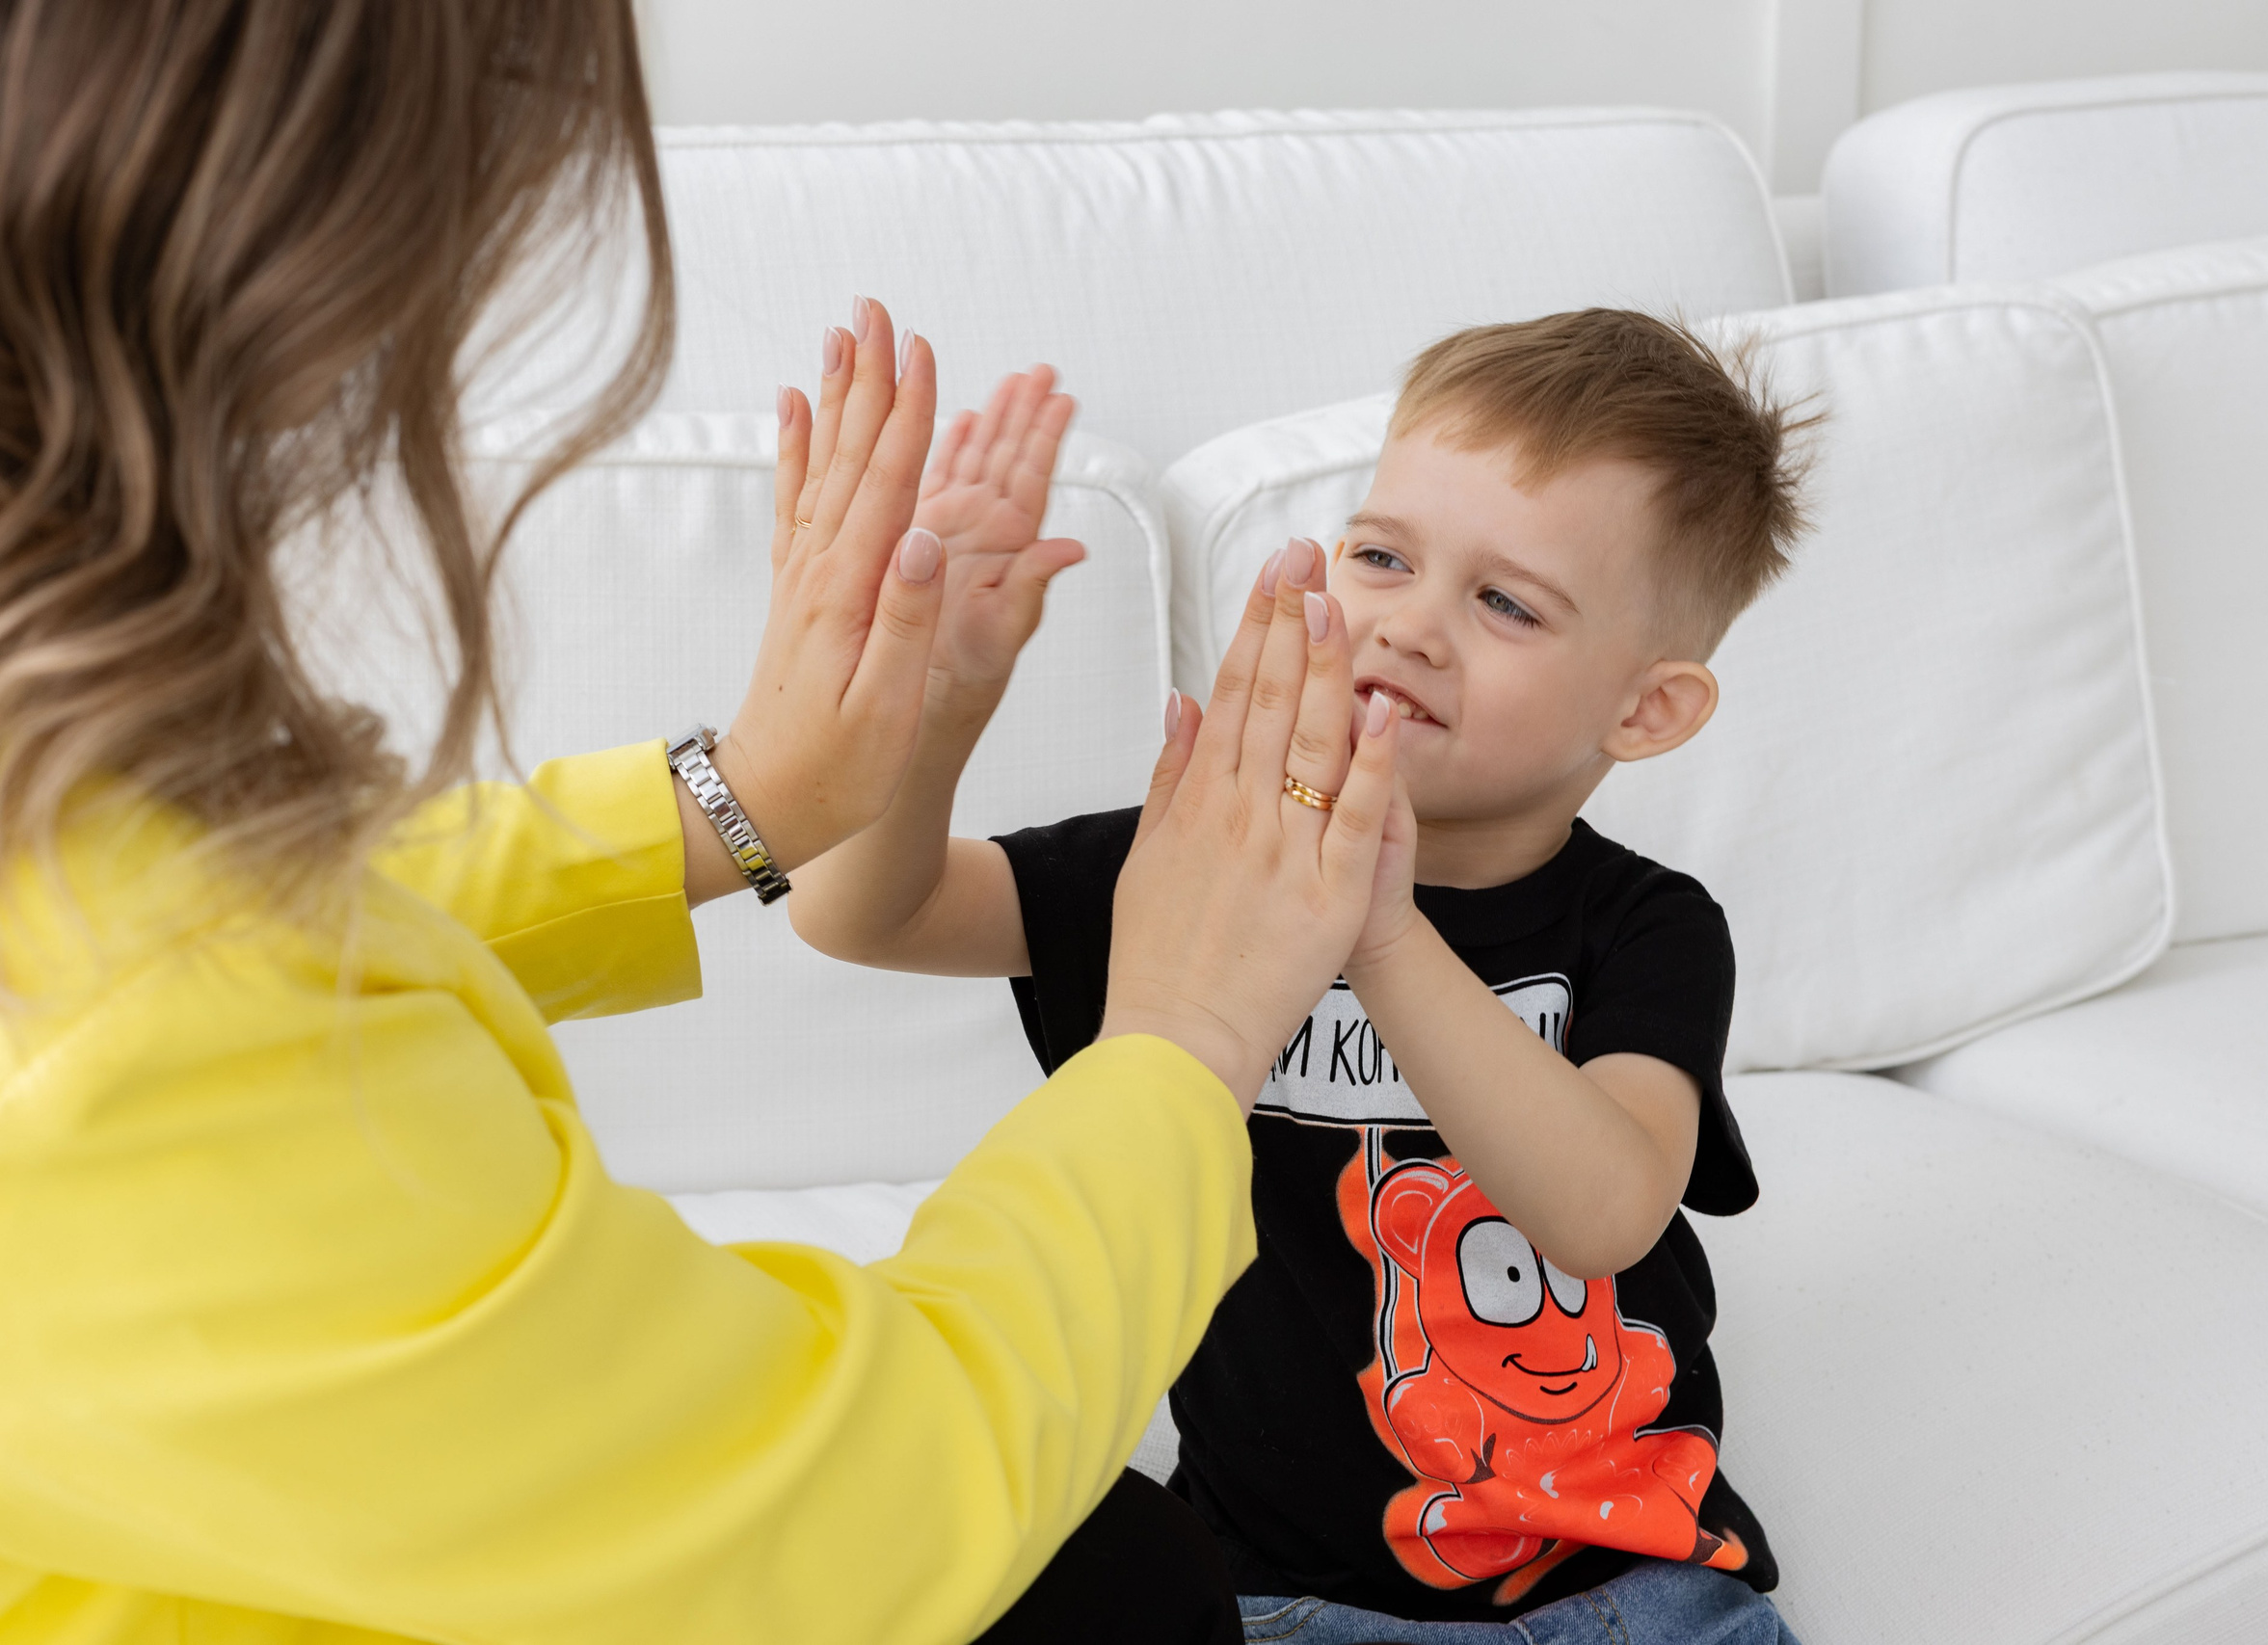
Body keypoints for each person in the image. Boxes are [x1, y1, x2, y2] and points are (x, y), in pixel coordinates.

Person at [0, 4, 1405, 1642]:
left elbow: (218, 914)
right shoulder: (150, 1048)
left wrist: (748, 796)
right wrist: (1185, 1031)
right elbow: (866, 1515)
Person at [791, 308, 1818, 1643]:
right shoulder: (1209, 861)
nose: (1409, 627)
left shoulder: (1648, 927)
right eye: (1382, 556)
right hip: (1277, 1599)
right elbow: (868, 911)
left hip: (1634, 1593)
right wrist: (938, 703)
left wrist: (1383, 933)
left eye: (1505, 602)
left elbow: (1609, 1209)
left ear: (1646, 712)